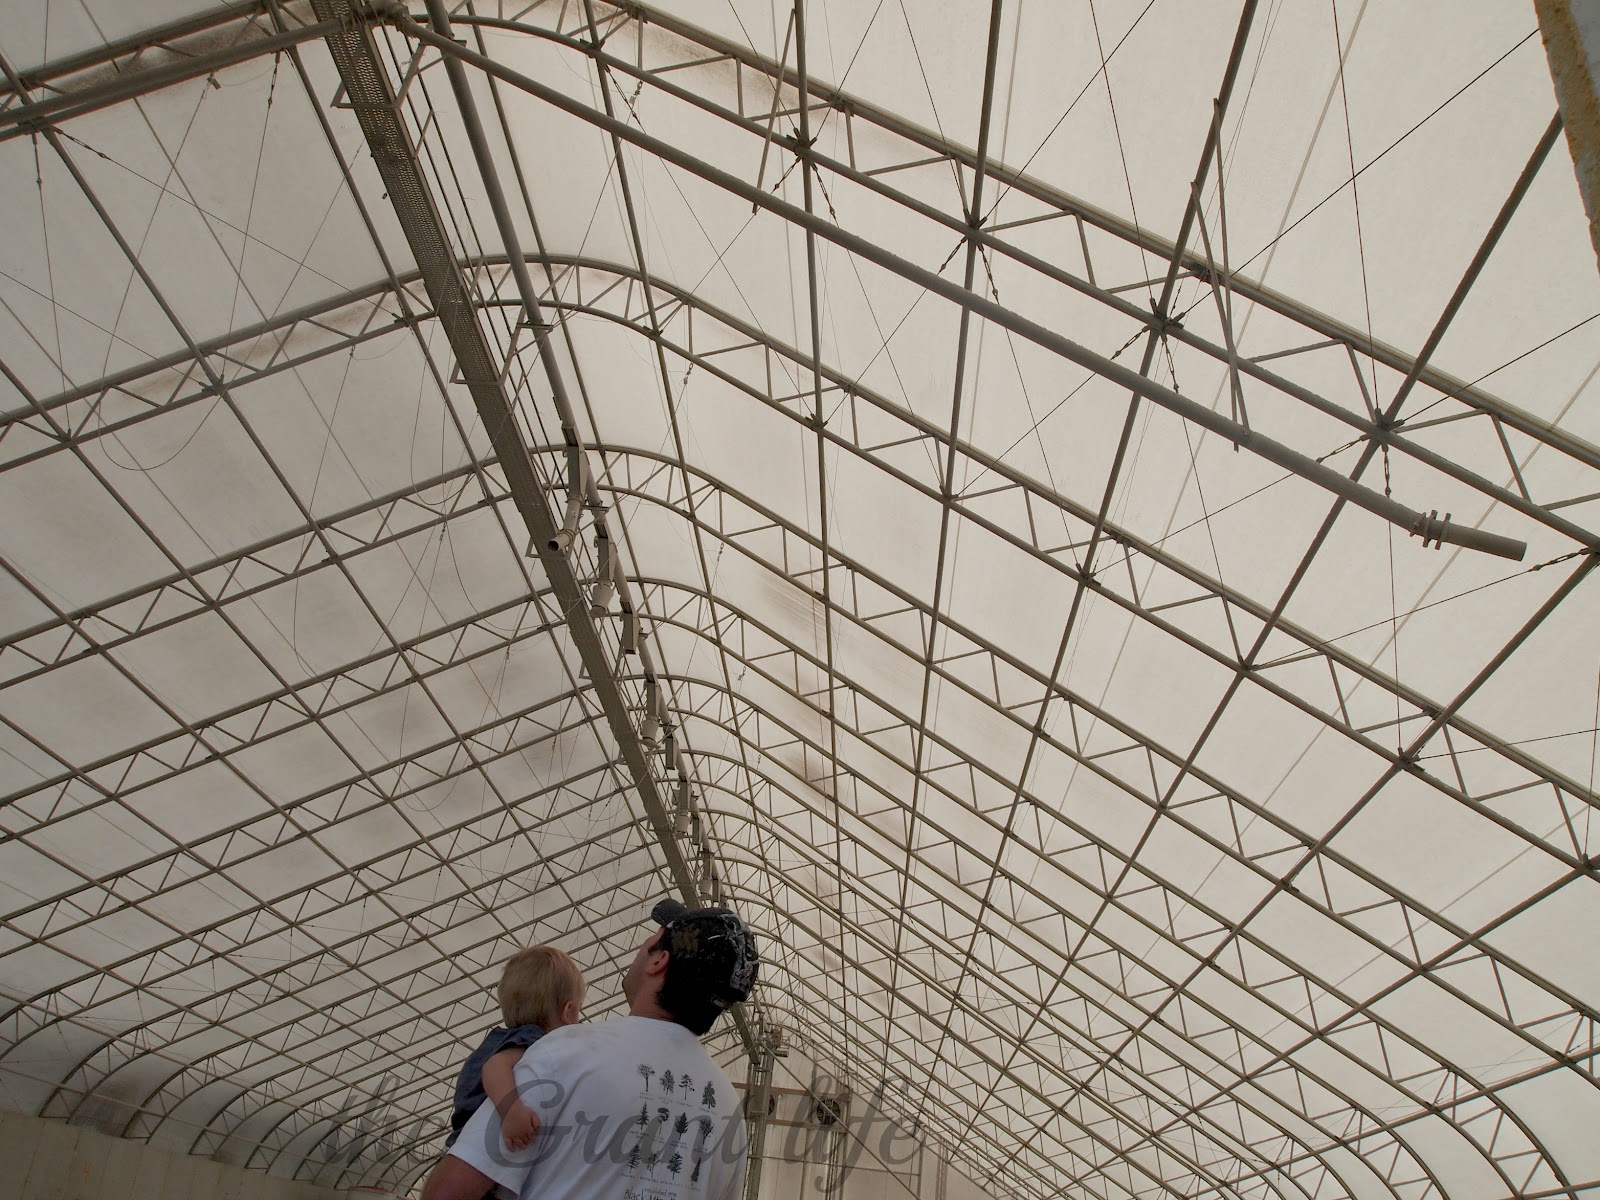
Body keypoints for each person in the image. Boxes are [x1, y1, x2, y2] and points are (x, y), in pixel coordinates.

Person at [422, 899, 759, 1200]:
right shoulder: (729, 1110)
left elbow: (448, 1193)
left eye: (651, 940)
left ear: (658, 961)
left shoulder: (565, 1053)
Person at [448, 945, 586, 1155]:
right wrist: (511, 1111)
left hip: (462, 1139)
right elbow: (494, 1068)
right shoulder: (532, 1039)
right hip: (476, 1141)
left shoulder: (500, 1040)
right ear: (569, 1011)